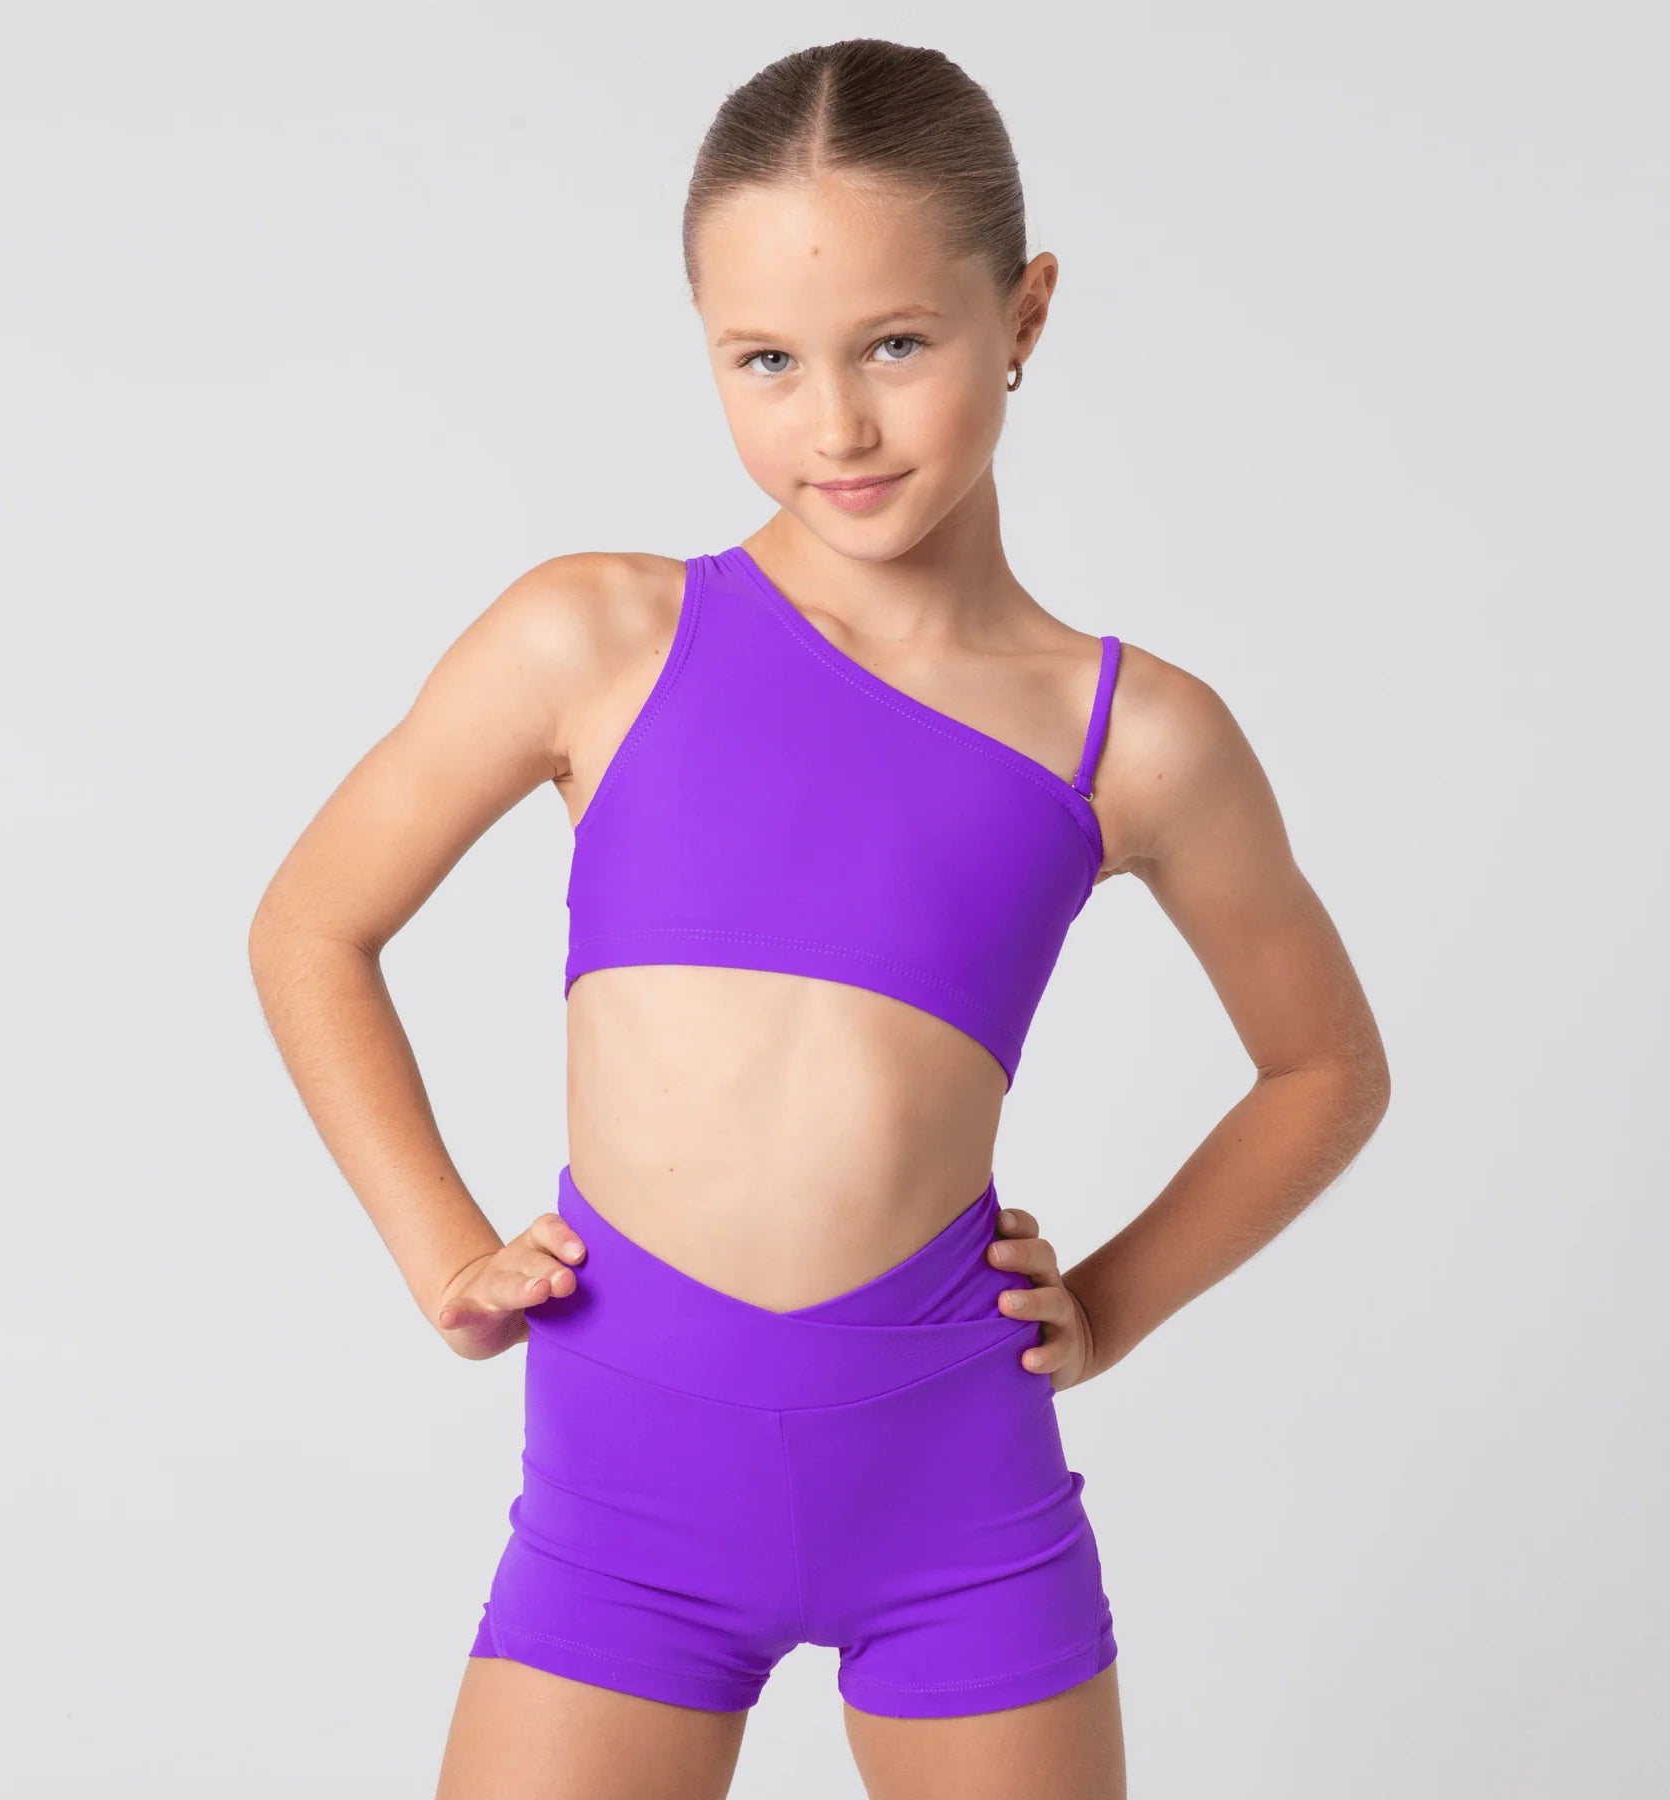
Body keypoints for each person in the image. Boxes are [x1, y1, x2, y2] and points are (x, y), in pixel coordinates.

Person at [248, 37, 1390, 1800]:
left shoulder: (1130, 737)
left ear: (1024, 314)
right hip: (620, 1519)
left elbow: (1324, 1068)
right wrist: (441, 1250)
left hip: (957, 1512)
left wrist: (1107, 1308)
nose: (836, 426)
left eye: (897, 346)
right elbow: (312, 925)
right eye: (767, 360)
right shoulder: (596, 638)